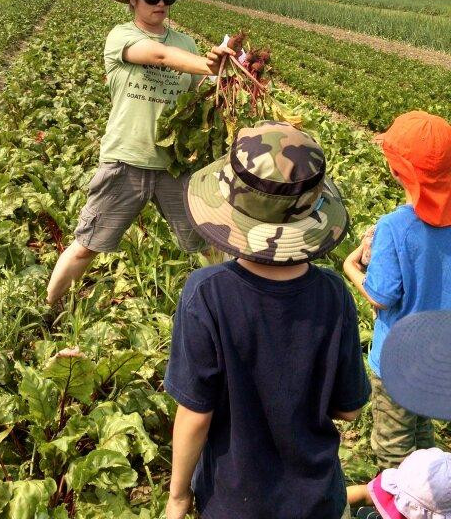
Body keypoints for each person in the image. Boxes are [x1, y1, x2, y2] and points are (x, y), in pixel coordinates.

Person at [163, 120, 370, 519]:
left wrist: (178, 496)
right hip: (317, 500)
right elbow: (349, 410)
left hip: (233, 500)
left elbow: (194, 413)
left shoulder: (207, 293)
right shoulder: (333, 294)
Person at [46, 0, 235, 306]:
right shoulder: (121, 36)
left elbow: (199, 95)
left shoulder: (186, 44)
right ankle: (49, 307)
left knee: (208, 241)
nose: (161, 4)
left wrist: (226, 80)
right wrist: (210, 64)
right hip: (126, 160)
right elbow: (157, 56)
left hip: (174, 166)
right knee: (87, 246)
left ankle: (224, 307)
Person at [343, 111, 451, 469]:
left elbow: (381, 296)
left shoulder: (394, 226)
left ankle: (405, 502)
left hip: (399, 360)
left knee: (393, 450)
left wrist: (352, 264)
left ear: (395, 170)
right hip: (438, 358)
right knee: (422, 435)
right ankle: (431, 494)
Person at [348, 311, 451, 517]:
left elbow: (381, 295)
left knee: (397, 438)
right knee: (420, 427)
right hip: (430, 353)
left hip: (394, 356)